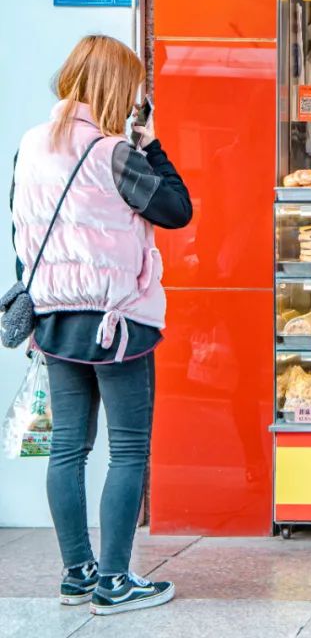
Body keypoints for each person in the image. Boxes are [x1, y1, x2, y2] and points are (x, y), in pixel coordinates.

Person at [10, 35, 191, 616]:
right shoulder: (113, 152)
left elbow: (23, 234)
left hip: (54, 318)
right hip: (118, 322)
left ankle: (76, 573)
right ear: (120, 90)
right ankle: (115, 581)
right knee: (129, 449)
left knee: (68, 449)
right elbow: (176, 209)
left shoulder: (29, 144)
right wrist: (153, 145)